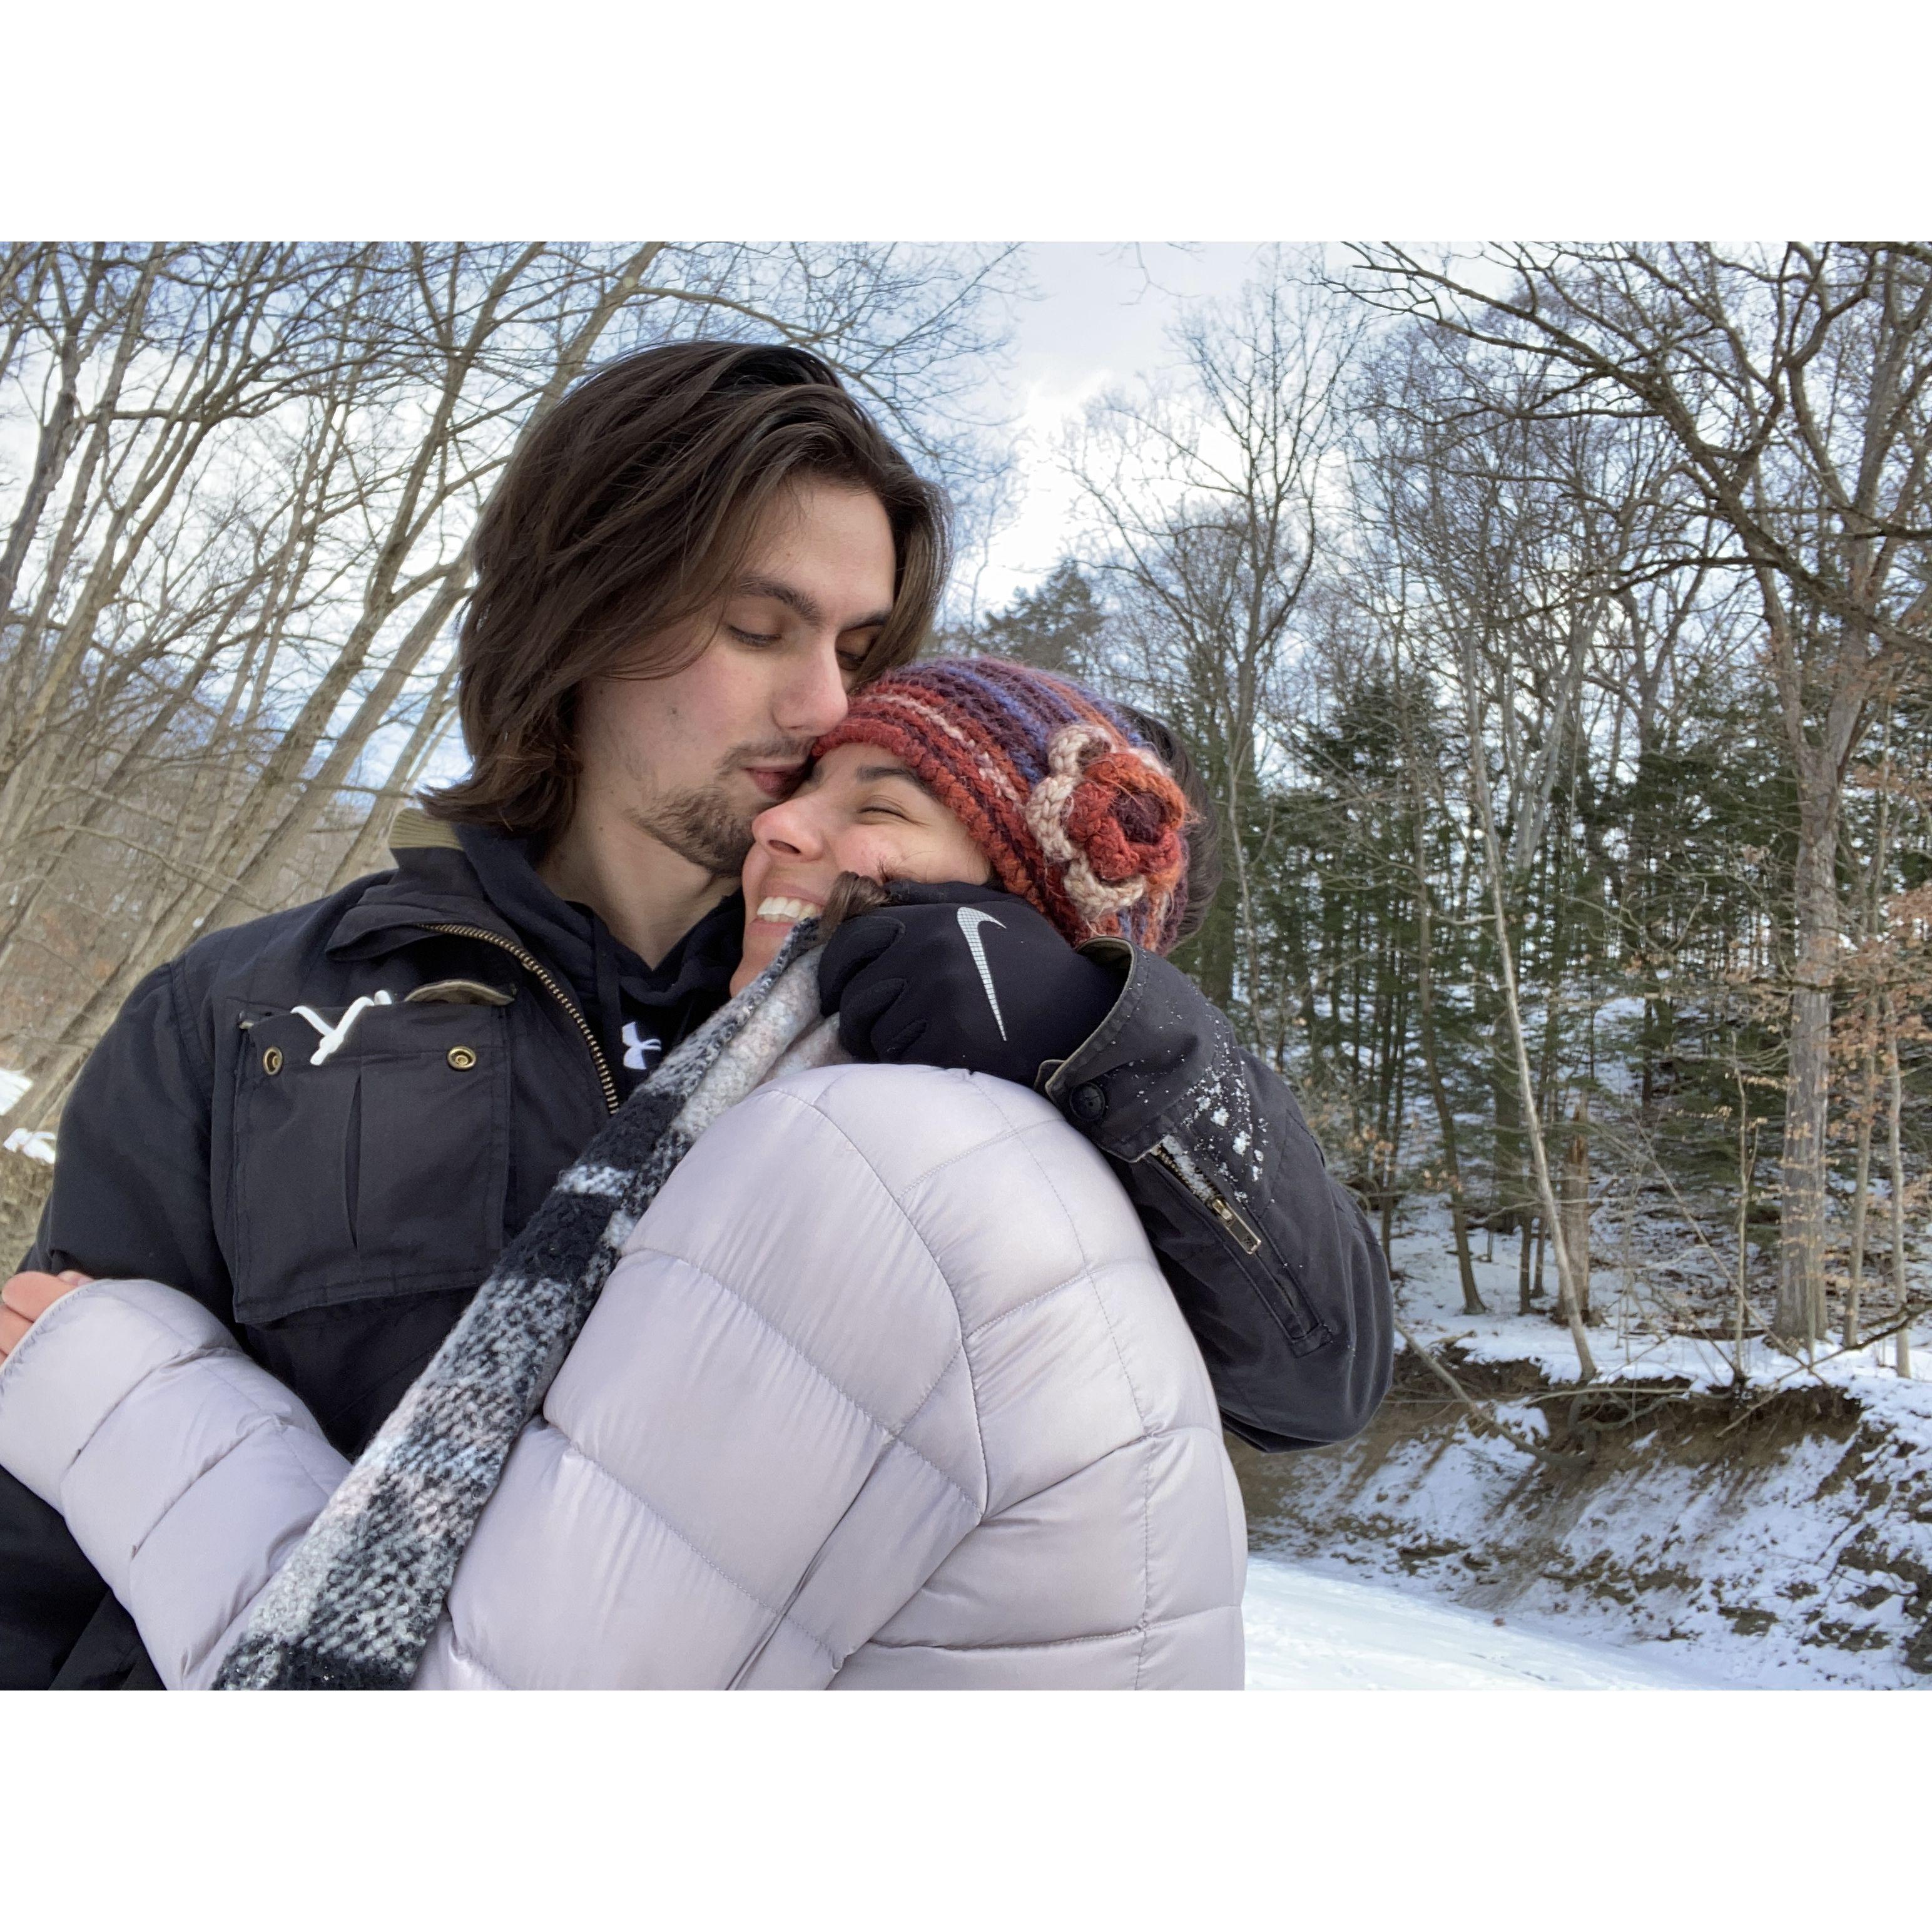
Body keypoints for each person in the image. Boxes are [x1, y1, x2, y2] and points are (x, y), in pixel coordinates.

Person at [0, 343, 1391, 1689]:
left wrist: (1094, 1027)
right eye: (756, 626)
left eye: (858, 643)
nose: (823, 702)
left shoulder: (928, 1012)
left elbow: (1315, 1377)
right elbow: (51, 1556)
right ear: (580, 615)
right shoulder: (245, 1015)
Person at [1, 661, 1248, 1688]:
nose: (778, 820)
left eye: (878, 807)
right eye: (807, 785)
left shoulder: (872, 1165)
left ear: (1007, 913)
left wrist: (121, 1388)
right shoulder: (1027, 1160)